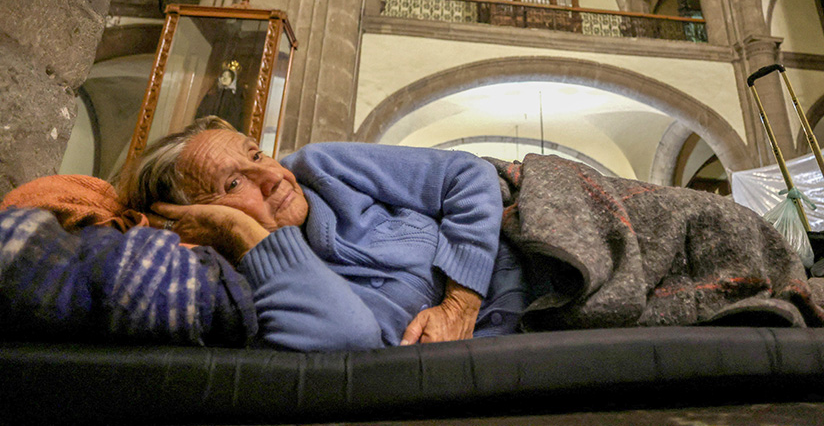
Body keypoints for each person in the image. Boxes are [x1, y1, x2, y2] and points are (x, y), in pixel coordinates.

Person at [116, 116, 529, 352]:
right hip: (531, 337)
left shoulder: (319, 168)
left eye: (257, 155)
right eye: (233, 185)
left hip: (542, 257)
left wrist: (461, 301)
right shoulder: (252, 286)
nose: (273, 176)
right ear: (196, 219)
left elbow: (467, 175)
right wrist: (241, 232)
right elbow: (352, 338)